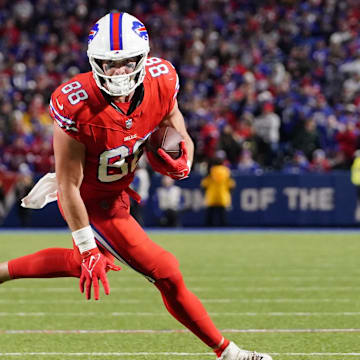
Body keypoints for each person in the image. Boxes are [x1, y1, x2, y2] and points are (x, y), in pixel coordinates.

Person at [0, 12, 272, 360]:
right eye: (108, 64)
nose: (118, 72)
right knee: (166, 270)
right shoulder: (75, 102)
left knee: (85, 263)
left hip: (119, 193)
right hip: (92, 201)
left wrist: (184, 147)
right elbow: (68, 186)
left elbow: (173, 119)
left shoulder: (162, 78)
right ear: (92, 62)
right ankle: (228, 353)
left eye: (127, 62)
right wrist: (85, 246)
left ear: (143, 58)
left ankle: (5, 272)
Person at [201, 159, 236, 227]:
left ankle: (208, 230)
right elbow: (232, 185)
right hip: (223, 196)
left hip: (212, 196)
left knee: (210, 216)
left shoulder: (210, 170)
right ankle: (224, 230)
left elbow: (204, 184)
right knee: (222, 216)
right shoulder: (226, 171)